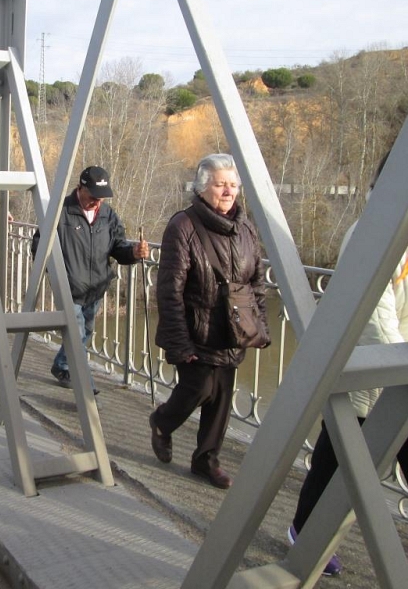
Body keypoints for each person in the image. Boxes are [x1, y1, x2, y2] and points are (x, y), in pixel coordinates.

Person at [288, 151, 408, 577]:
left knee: (339, 453)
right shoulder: (374, 228)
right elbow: (376, 311)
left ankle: (306, 531)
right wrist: (400, 361)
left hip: (392, 369)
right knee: (337, 455)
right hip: (370, 368)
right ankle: (305, 532)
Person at [148, 153, 270, 490]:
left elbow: (256, 282)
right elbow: (169, 289)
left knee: (221, 399)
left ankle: (206, 461)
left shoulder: (246, 228)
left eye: (233, 184)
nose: (228, 191)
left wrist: (260, 327)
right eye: (221, 184)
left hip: (232, 329)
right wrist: (179, 341)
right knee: (200, 387)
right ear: (203, 188)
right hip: (195, 328)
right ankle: (162, 421)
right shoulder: (183, 226)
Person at [32, 165, 149, 394]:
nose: (97, 202)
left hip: (96, 288)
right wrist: (56, 275)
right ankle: (85, 386)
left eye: (102, 198)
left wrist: (133, 253)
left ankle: (62, 366)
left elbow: (118, 246)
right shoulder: (59, 210)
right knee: (76, 335)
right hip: (69, 287)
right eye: (93, 196)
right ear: (81, 188)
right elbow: (39, 245)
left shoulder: (108, 215)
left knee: (84, 332)